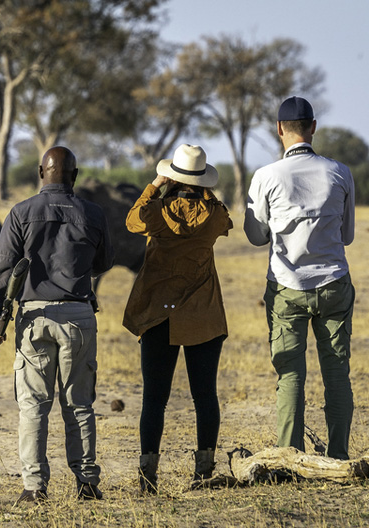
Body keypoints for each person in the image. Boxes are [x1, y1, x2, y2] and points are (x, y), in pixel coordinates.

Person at [0, 146, 115, 504]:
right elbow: (104, 261)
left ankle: (34, 486)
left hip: (34, 318)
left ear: (42, 172)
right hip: (79, 316)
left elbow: (3, 269)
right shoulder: (93, 213)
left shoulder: (21, 212)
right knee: (79, 403)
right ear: (73, 175)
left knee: (33, 404)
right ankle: (86, 482)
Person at [244, 96, 356, 460]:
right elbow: (348, 235)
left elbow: (255, 235)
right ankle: (338, 455)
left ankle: (290, 455)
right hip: (334, 282)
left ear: (279, 130)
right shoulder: (340, 172)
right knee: (336, 373)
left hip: (286, 287)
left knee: (290, 374)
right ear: (313, 128)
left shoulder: (266, 176)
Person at [122, 144, 232, 495]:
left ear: (173, 176)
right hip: (203, 314)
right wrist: (205, 191)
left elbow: (131, 219)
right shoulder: (213, 215)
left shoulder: (156, 213)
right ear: (202, 181)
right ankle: (203, 473)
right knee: (205, 396)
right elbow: (227, 220)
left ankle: (148, 475)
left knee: (155, 398)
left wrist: (156, 184)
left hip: (159, 314)